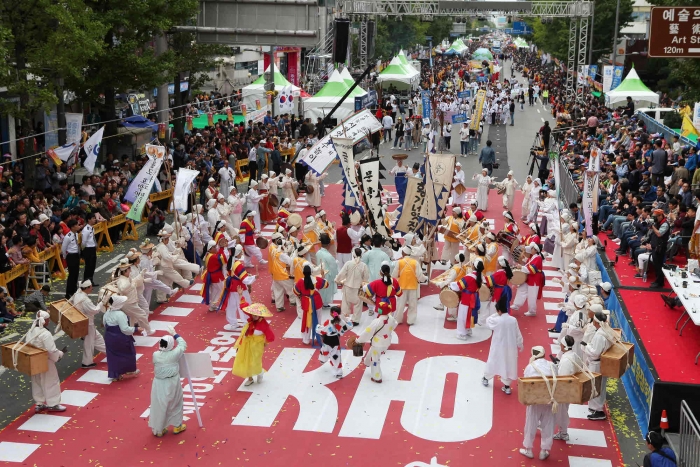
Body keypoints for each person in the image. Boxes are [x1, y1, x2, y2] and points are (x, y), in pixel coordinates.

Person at [149, 326, 187, 437]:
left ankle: (159, 429)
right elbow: (183, 344)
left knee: (159, 405)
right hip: (172, 382)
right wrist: (175, 334)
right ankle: (177, 426)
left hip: (159, 383)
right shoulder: (174, 354)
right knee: (176, 403)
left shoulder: (155, 355)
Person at [520, 346, 556, 460]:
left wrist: (529, 365)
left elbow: (525, 383)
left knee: (531, 424)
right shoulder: (552, 365)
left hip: (535, 401)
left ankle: (528, 449)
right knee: (548, 425)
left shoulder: (530, 367)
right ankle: (544, 451)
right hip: (550, 400)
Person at [482, 293, 523, 395]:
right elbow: (518, 333)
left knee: (493, 361)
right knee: (508, 364)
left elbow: (488, 321)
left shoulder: (497, 320)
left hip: (498, 346)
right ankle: (507, 386)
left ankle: (486, 378)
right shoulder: (513, 320)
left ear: (499, 310)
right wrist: (520, 344)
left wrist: (497, 314)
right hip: (510, 347)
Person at [27, 310, 66, 412]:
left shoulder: (30, 331)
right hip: (45, 361)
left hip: (34, 361)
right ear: (46, 321)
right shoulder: (45, 333)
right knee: (51, 381)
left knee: (37, 381)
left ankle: (39, 403)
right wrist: (60, 354)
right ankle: (53, 404)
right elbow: (52, 350)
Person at [232, 296, 275, 386]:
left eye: (256, 315)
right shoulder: (252, 319)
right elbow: (244, 308)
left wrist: (264, 342)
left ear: (260, 315)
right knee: (245, 360)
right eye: (253, 314)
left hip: (256, 346)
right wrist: (240, 295)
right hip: (246, 343)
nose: (254, 316)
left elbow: (271, 337)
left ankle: (260, 372)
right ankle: (250, 378)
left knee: (254, 361)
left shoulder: (264, 325)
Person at [582, 311, 615, 421]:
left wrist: (586, 347)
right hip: (602, 362)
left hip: (597, 363)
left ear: (596, 322)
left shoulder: (600, 336)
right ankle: (595, 407)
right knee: (599, 385)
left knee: (596, 386)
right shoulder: (607, 331)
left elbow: (595, 352)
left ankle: (598, 410)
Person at [354, 300, 397, 383]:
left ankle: (377, 377)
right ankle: (367, 362)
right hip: (386, 342)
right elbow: (395, 325)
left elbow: (367, 332)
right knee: (372, 352)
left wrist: (358, 340)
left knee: (375, 360)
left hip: (377, 344)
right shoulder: (391, 318)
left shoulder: (377, 321)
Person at [553, 335, 586, 441]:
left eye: (561, 344)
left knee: (562, 411)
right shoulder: (573, 355)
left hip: (564, 390)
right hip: (570, 387)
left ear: (564, 346)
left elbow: (563, 377)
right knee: (562, 410)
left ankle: (563, 433)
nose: (560, 345)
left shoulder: (567, 360)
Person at [103, 294, 141, 382]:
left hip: (109, 337)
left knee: (113, 357)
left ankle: (116, 374)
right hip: (120, 337)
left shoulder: (107, 312)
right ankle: (129, 370)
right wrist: (136, 329)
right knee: (129, 353)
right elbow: (125, 329)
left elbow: (105, 324)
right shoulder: (120, 314)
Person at [69, 280, 106, 368]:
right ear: (87, 288)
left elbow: (70, 302)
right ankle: (87, 362)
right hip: (87, 323)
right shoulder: (85, 300)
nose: (92, 289)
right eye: (90, 287)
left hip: (82, 321)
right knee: (89, 342)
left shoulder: (77, 293)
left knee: (97, 338)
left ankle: (111, 353)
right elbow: (95, 310)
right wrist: (101, 302)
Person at [219, 245, 255, 330]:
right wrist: (254, 277)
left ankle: (233, 322)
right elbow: (245, 280)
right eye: (241, 252)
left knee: (232, 304)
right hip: (239, 287)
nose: (242, 253)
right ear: (238, 253)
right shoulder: (238, 264)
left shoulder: (231, 261)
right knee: (245, 303)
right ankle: (247, 321)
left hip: (231, 286)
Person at [294, 264, 329, 346]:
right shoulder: (317, 279)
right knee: (318, 320)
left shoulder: (300, 281)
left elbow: (295, 291)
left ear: (303, 273)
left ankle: (306, 339)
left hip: (306, 303)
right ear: (311, 272)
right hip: (317, 302)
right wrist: (323, 276)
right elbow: (326, 284)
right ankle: (318, 337)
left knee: (306, 321)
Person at [450, 258, 484, 339]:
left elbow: (458, 286)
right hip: (474, 298)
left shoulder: (469, 277)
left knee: (463, 315)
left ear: (473, 266)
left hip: (466, 299)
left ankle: (462, 333)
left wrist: (450, 284)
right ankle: (468, 330)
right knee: (470, 314)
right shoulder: (480, 276)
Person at [392, 245, 427, 325]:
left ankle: (398, 319)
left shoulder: (399, 262)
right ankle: (410, 320)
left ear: (404, 253)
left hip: (402, 286)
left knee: (400, 304)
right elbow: (419, 276)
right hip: (413, 286)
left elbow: (394, 275)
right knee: (412, 304)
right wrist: (425, 278)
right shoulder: (415, 263)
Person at [316, 306, 354, 378]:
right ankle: (338, 372)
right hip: (335, 341)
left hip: (327, 340)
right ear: (339, 313)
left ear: (331, 313)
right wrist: (348, 320)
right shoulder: (341, 322)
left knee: (324, 351)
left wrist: (318, 326)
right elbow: (349, 326)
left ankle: (323, 360)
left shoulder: (328, 322)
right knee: (336, 357)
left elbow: (320, 330)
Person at [336, 248, 369, 325]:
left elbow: (341, 274)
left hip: (348, 287)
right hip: (358, 288)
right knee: (358, 305)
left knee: (345, 304)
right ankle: (355, 320)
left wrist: (337, 280)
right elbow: (366, 278)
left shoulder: (348, 263)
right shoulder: (364, 265)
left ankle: (344, 318)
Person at [512, 244, 545, 317]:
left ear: (535, 250)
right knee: (521, 289)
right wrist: (524, 259)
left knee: (532, 295)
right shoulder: (534, 257)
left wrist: (521, 267)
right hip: (530, 277)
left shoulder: (538, 258)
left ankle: (532, 311)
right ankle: (516, 305)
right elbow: (529, 263)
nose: (530, 249)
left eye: (532, 248)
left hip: (534, 279)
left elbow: (532, 269)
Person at [201, 239, 227, 312]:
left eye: (216, 246)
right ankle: (224, 305)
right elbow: (223, 258)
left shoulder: (209, 254)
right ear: (210, 249)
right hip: (216, 276)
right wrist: (222, 248)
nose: (216, 248)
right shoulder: (213, 257)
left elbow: (218, 255)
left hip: (212, 275)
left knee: (215, 291)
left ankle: (212, 305)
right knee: (222, 290)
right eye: (214, 247)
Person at [316, 234, 338, 308]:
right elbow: (333, 266)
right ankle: (324, 303)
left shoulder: (318, 253)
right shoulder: (328, 255)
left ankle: (320, 302)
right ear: (328, 244)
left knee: (321, 289)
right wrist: (335, 275)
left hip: (319, 273)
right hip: (327, 274)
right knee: (327, 289)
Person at [61, 219, 81, 299]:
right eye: (76, 225)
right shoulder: (68, 236)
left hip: (76, 255)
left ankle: (74, 290)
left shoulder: (75, 234)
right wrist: (65, 257)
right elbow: (63, 248)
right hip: (71, 256)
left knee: (76, 274)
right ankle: (68, 292)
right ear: (72, 227)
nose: (78, 226)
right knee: (72, 275)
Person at [81, 213, 98, 286]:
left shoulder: (92, 228)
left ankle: (91, 281)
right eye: (93, 218)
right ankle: (86, 281)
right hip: (88, 249)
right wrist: (83, 250)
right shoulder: (86, 229)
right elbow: (84, 242)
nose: (95, 219)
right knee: (88, 266)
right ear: (89, 220)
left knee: (92, 266)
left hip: (93, 248)